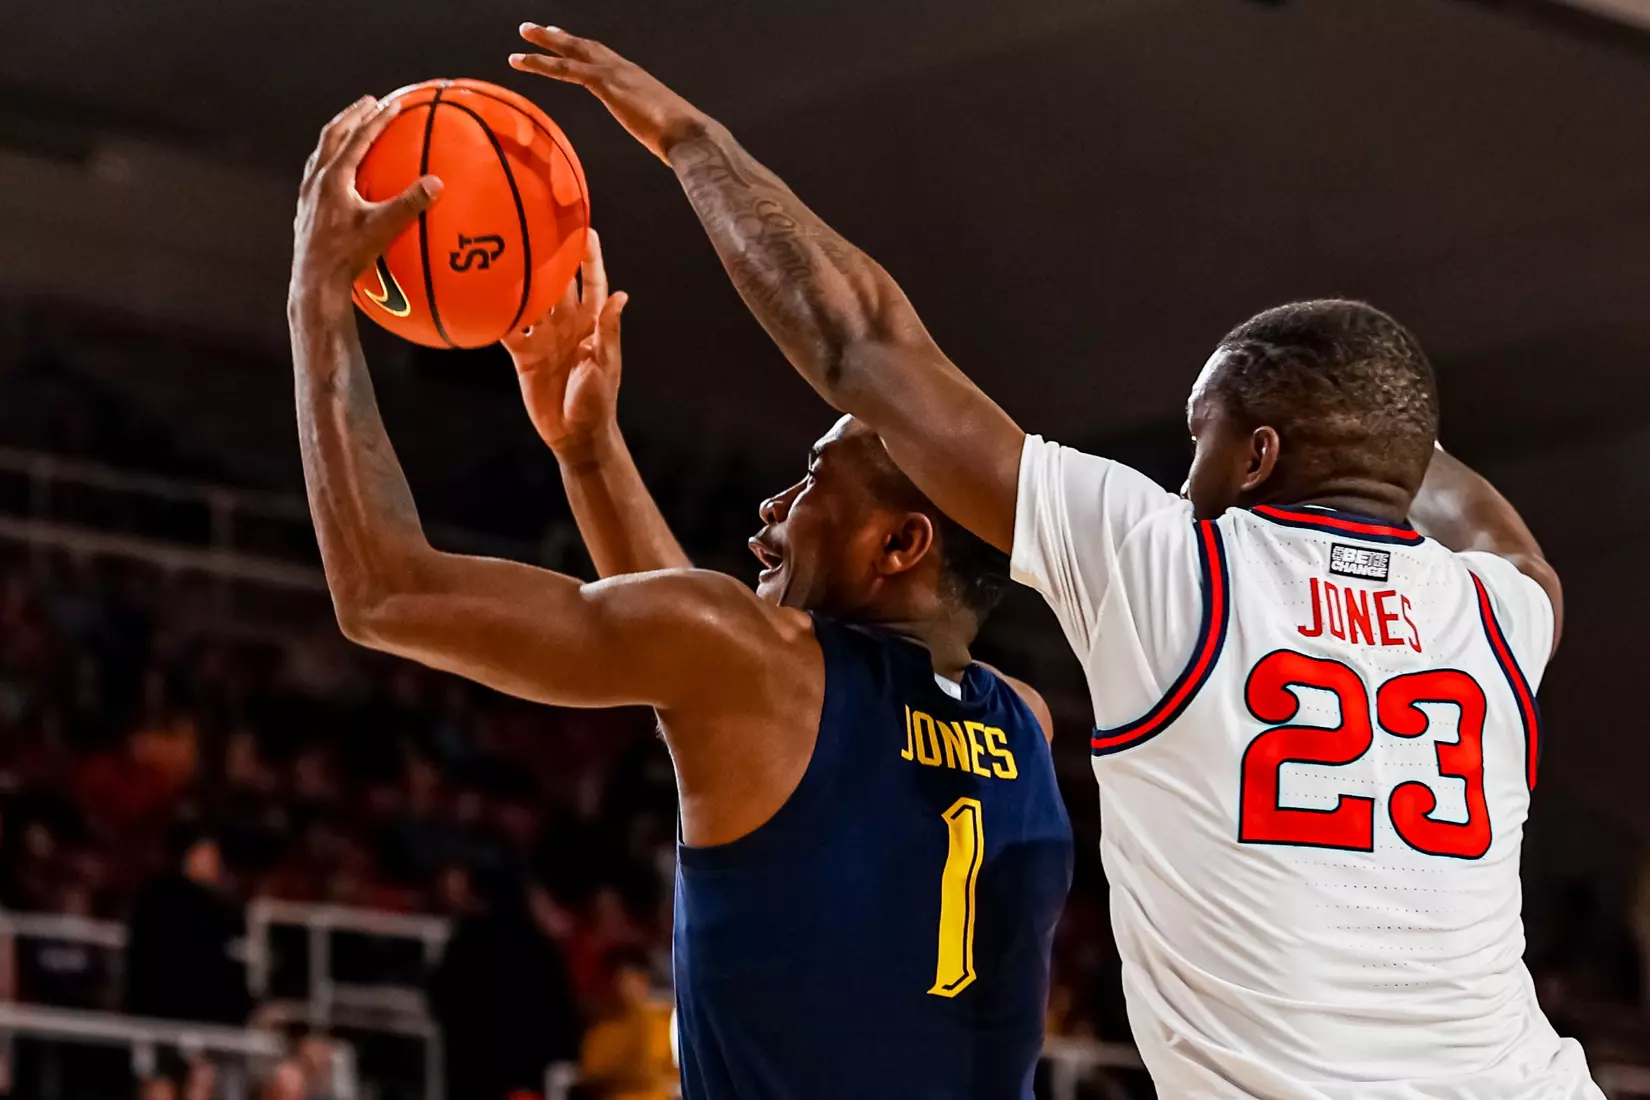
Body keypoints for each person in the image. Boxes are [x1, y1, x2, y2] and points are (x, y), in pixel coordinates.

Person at [508, 27, 1601, 1100]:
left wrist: (694, 139)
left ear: (1260, 454)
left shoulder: (1175, 567)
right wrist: (1372, 413)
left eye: (1202, 437)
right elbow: (1491, 523)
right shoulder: (1505, 613)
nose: (1186, 472)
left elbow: (864, 346)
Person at [288, 99, 1072, 1099]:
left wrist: (317, 301)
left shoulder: (765, 665)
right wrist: (587, 452)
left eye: (813, 484)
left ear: (901, 541)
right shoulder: (1029, 726)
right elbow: (700, 674)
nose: (771, 509)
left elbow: (386, 590)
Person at [428, 870, 581, 1100]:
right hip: (524, 1079)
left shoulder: (465, 939)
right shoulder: (541, 950)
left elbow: (439, 998)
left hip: (468, 1072)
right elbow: (561, 1017)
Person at [125, 824, 251, 1025]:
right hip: (166, 1011)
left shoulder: (222, 908)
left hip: (209, 1017)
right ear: (188, 855)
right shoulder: (161, 896)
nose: (216, 863)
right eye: (209, 854)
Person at [578, 949, 676, 1100]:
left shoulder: (665, 1023)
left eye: (632, 980)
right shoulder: (602, 1031)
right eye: (620, 980)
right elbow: (592, 1076)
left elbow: (676, 1073)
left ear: (645, 981)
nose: (624, 987)